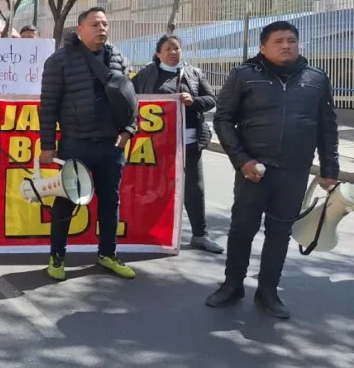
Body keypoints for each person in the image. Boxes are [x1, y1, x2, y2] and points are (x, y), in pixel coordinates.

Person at [205, 20, 339, 319]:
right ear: (263, 47)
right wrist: (242, 161)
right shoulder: (245, 76)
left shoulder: (316, 79)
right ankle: (232, 285)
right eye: (278, 41)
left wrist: (330, 168)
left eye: (291, 40)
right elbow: (223, 120)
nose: (286, 45)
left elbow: (328, 128)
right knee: (242, 229)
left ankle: (268, 291)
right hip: (254, 171)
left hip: (294, 172)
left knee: (279, 233)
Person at [39, 7, 137, 281]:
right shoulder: (59, 61)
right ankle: (57, 256)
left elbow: (131, 99)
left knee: (110, 202)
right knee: (65, 201)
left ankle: (107, 253)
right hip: (75, 143)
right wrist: (48, 145)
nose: (101, 29)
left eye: (105, 24)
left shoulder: (117, 57)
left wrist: (128, 130)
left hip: (111, 146)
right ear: (79, 29)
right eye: (95, 24)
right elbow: (48, 106)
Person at [133, 34, 223, 254]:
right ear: (158, 53)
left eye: (176, 48)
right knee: (154, 188)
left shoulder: (194, 73)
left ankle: (200, 236)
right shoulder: (146, 73)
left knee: (195, 189)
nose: (173, 52)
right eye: (167, 49)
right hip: (156, 143)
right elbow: (130, 96)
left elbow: (211, 100)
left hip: (190, 142)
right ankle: (148, 234)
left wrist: (193, 102)